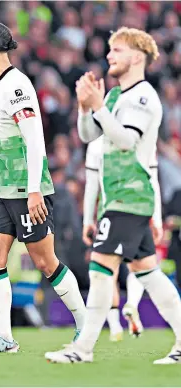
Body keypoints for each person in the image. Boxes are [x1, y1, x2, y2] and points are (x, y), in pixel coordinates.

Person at [45, 27, 181, 364]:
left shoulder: (144, 97)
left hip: (132, 196)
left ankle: (83, 349)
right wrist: (84, 106)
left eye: (116, 50)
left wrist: (98, 107)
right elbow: (89, 133)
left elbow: (125, 140)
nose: (109, 56)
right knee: (149, 274)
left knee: (100, 269)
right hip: (116, 198)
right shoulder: (117, 96)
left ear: (137, 57)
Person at [0, 22, 86, 353]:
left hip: (26, 190)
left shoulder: (17, 87)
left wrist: (35, 190)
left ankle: (84, 324)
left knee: (45, 261)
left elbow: (35, 142)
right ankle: (4, 338)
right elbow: (3, 144)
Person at [83, 135, 163, 341]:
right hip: (140, 208)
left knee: (107, 269)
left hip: (109, 212)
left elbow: (92, 186)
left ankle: (113, 326)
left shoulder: (96, 144)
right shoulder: (143, 140)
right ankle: (132, 304)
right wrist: (157, 219)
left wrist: (87, 221)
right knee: (142, 266)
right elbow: (153, 180)